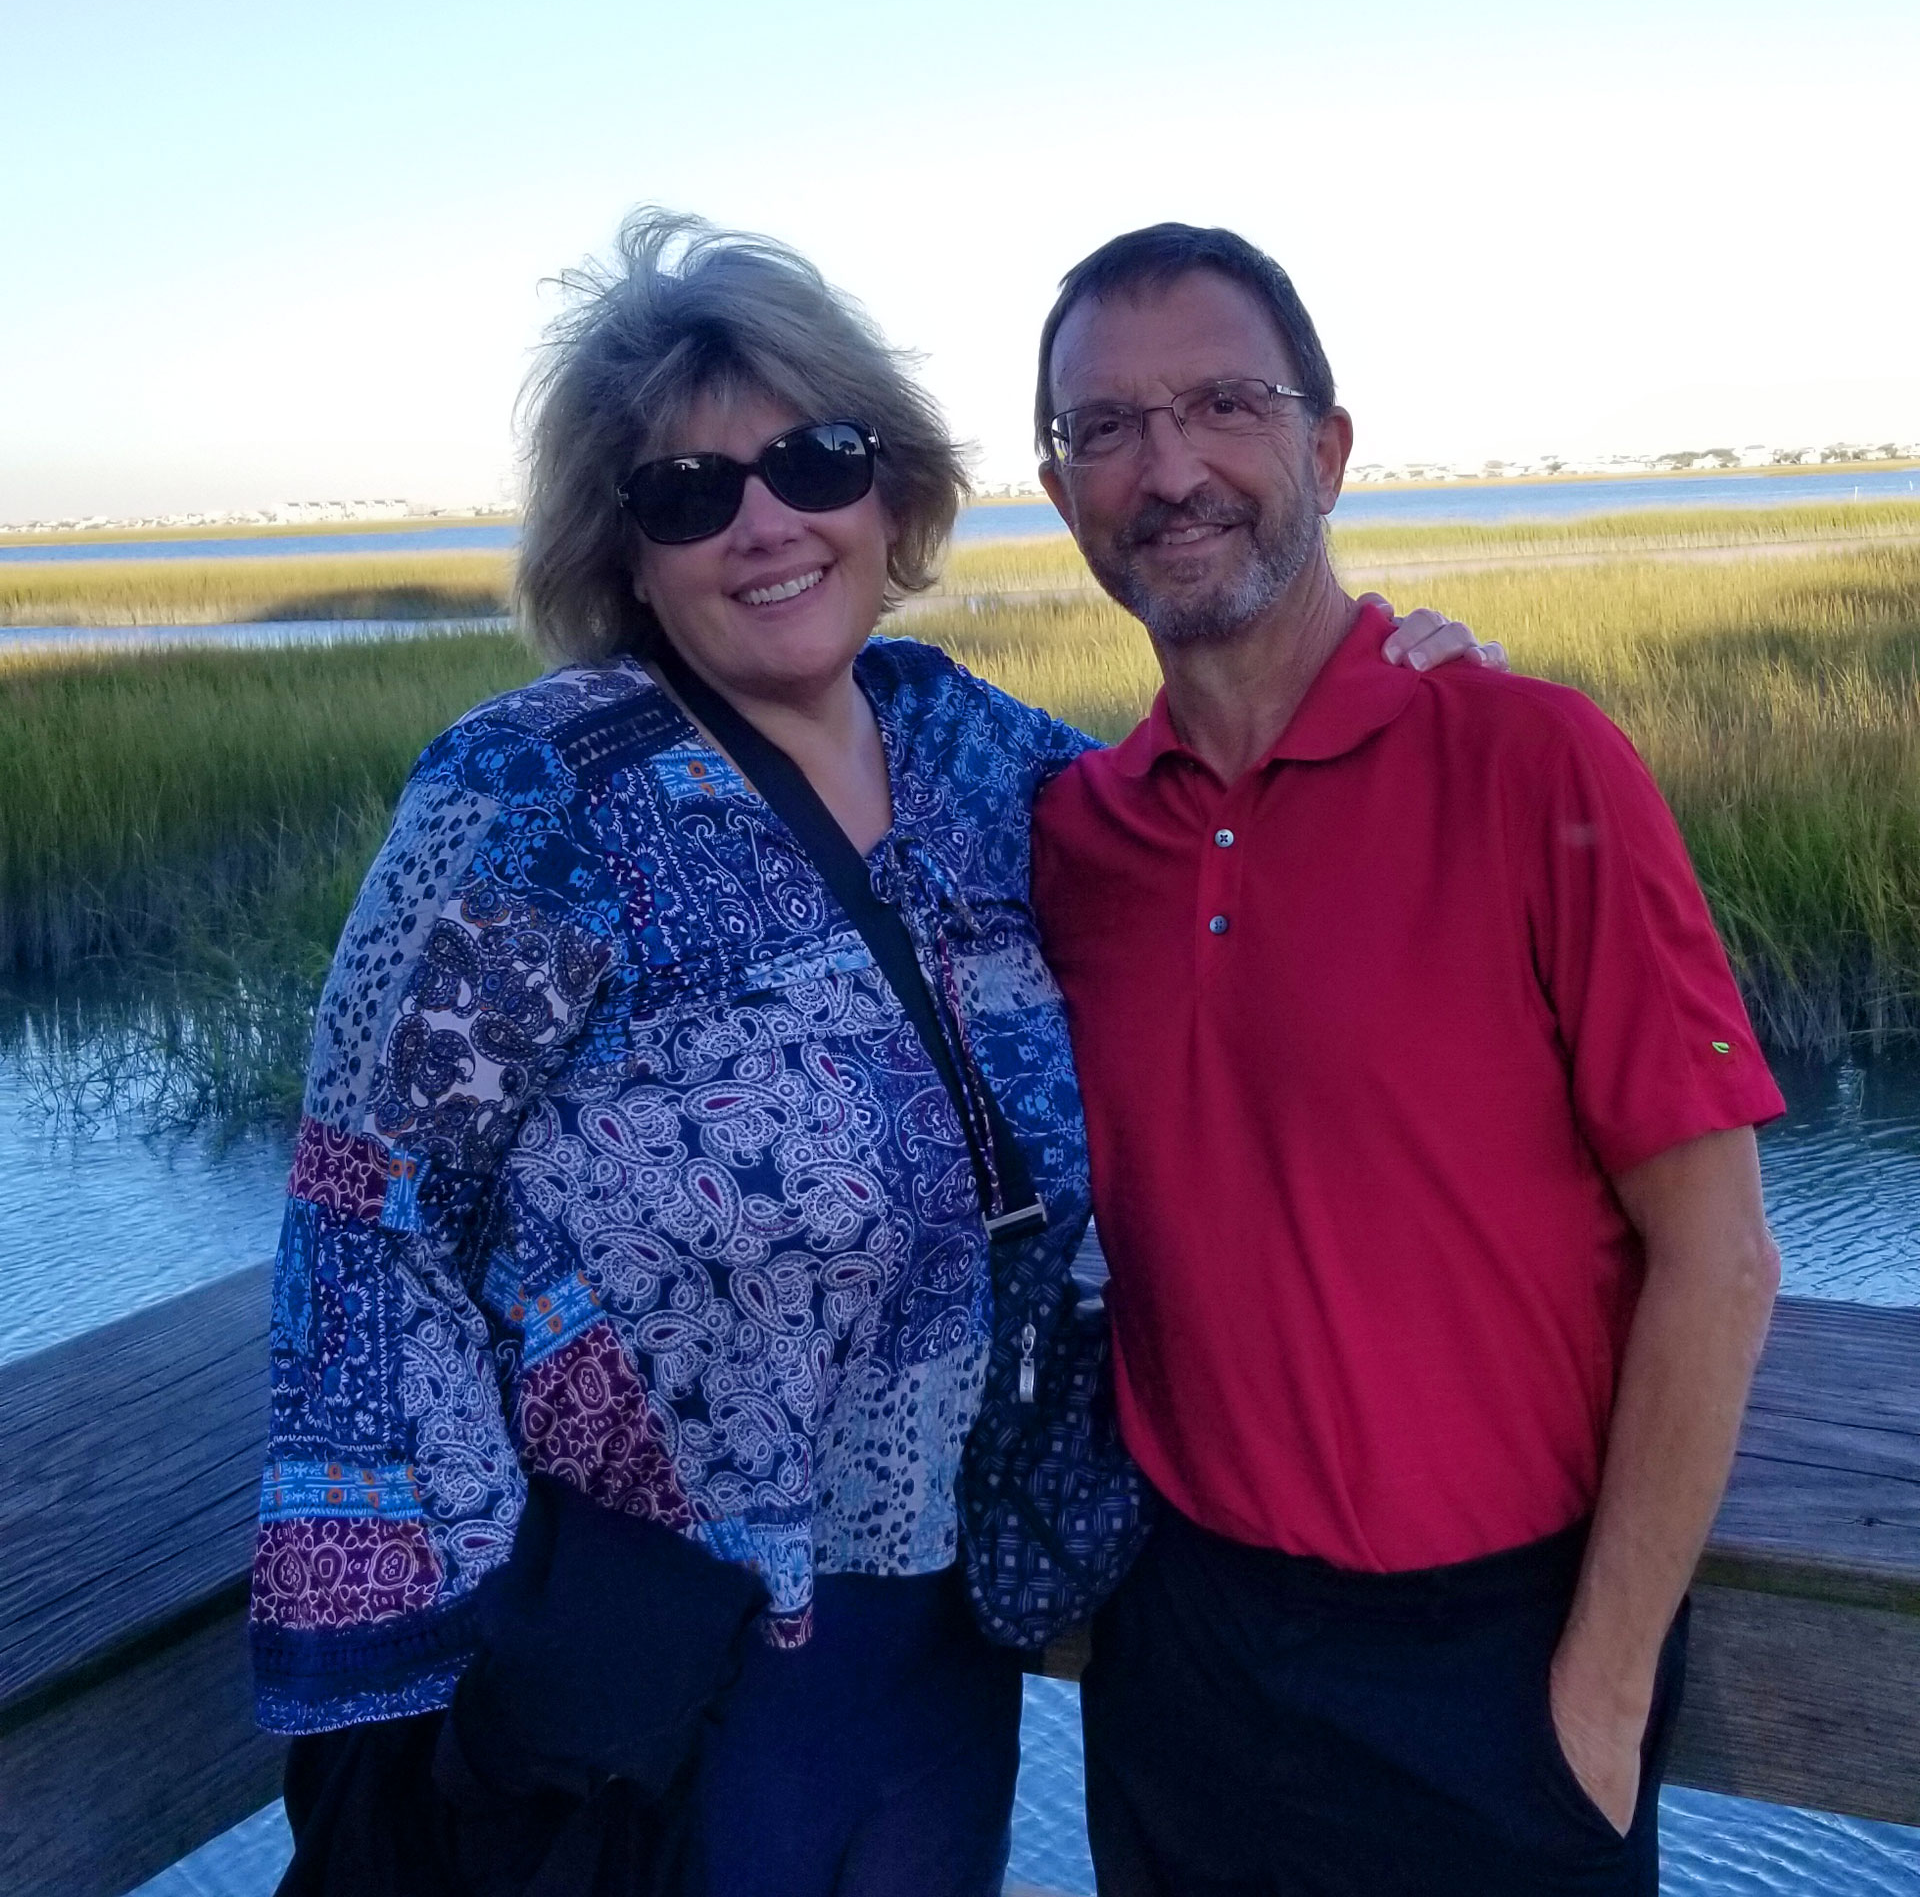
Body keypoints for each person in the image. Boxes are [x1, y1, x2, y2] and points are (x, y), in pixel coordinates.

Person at [249, 210, 1489, 1897]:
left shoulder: (974, 751)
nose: (765, 523)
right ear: (627, 552)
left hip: (936, 1619)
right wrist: (439, 1659)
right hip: (650, 1648)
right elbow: (363, 1212)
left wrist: (1416, 691)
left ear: (888, 487)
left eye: (812, 462)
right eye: (690, 492)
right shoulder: (530, 802)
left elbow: (1230, 833)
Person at [1028, 221, 1787, 1897]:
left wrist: (1597, 1688)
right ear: (1063, 486)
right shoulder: (1070, 837)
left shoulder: (1536, 763)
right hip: (1188, 1655)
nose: (1170, 470)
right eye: (1106, 429)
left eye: (1224, 403)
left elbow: (1721, 1260)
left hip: (1497, 1673)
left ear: (1327, 446)